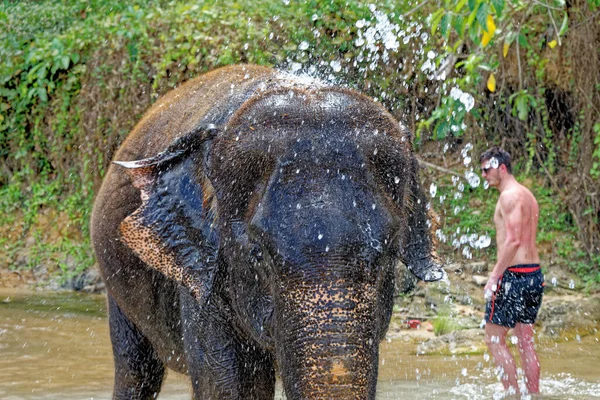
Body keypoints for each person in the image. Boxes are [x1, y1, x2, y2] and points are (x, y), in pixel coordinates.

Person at [480, 147, 544, 395]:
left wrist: (495, 275)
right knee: (525, 342)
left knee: (494, 339)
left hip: (514, 276)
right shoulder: (527, 195)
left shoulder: (509, 196)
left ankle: (512, 394)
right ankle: (534, 394)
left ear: (502, 168)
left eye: (487, 169)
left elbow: (513, 240)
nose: (484, 175)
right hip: (533, 274)